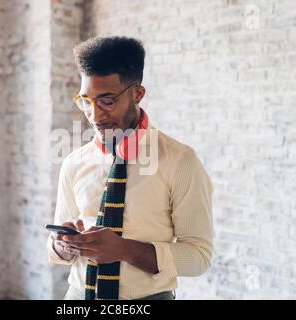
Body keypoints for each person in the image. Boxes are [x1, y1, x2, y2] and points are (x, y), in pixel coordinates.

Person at [47, 36, 214, 300]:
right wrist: (63, 246)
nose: (94, 115)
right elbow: (55, 250)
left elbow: (199, 257)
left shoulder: (180, 161)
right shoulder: (73, 163)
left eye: (106, 100)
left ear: (137, 93)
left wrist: (123, 250)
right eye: (85, 101)